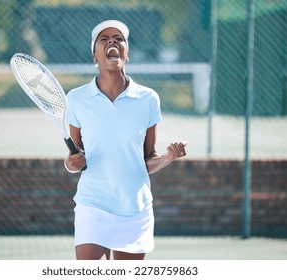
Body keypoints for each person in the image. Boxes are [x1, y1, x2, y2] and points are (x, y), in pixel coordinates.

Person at [64, 19, 187, 260]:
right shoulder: (76, 99)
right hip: (93, 205)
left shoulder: (148, 99)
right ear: (95, 56)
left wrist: (168, 157)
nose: (112, 41)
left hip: (135, 210)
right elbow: (73, 158)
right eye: (104, 39)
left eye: (118, 38)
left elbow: (147, 159)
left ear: (127, 53)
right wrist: (71, 163)